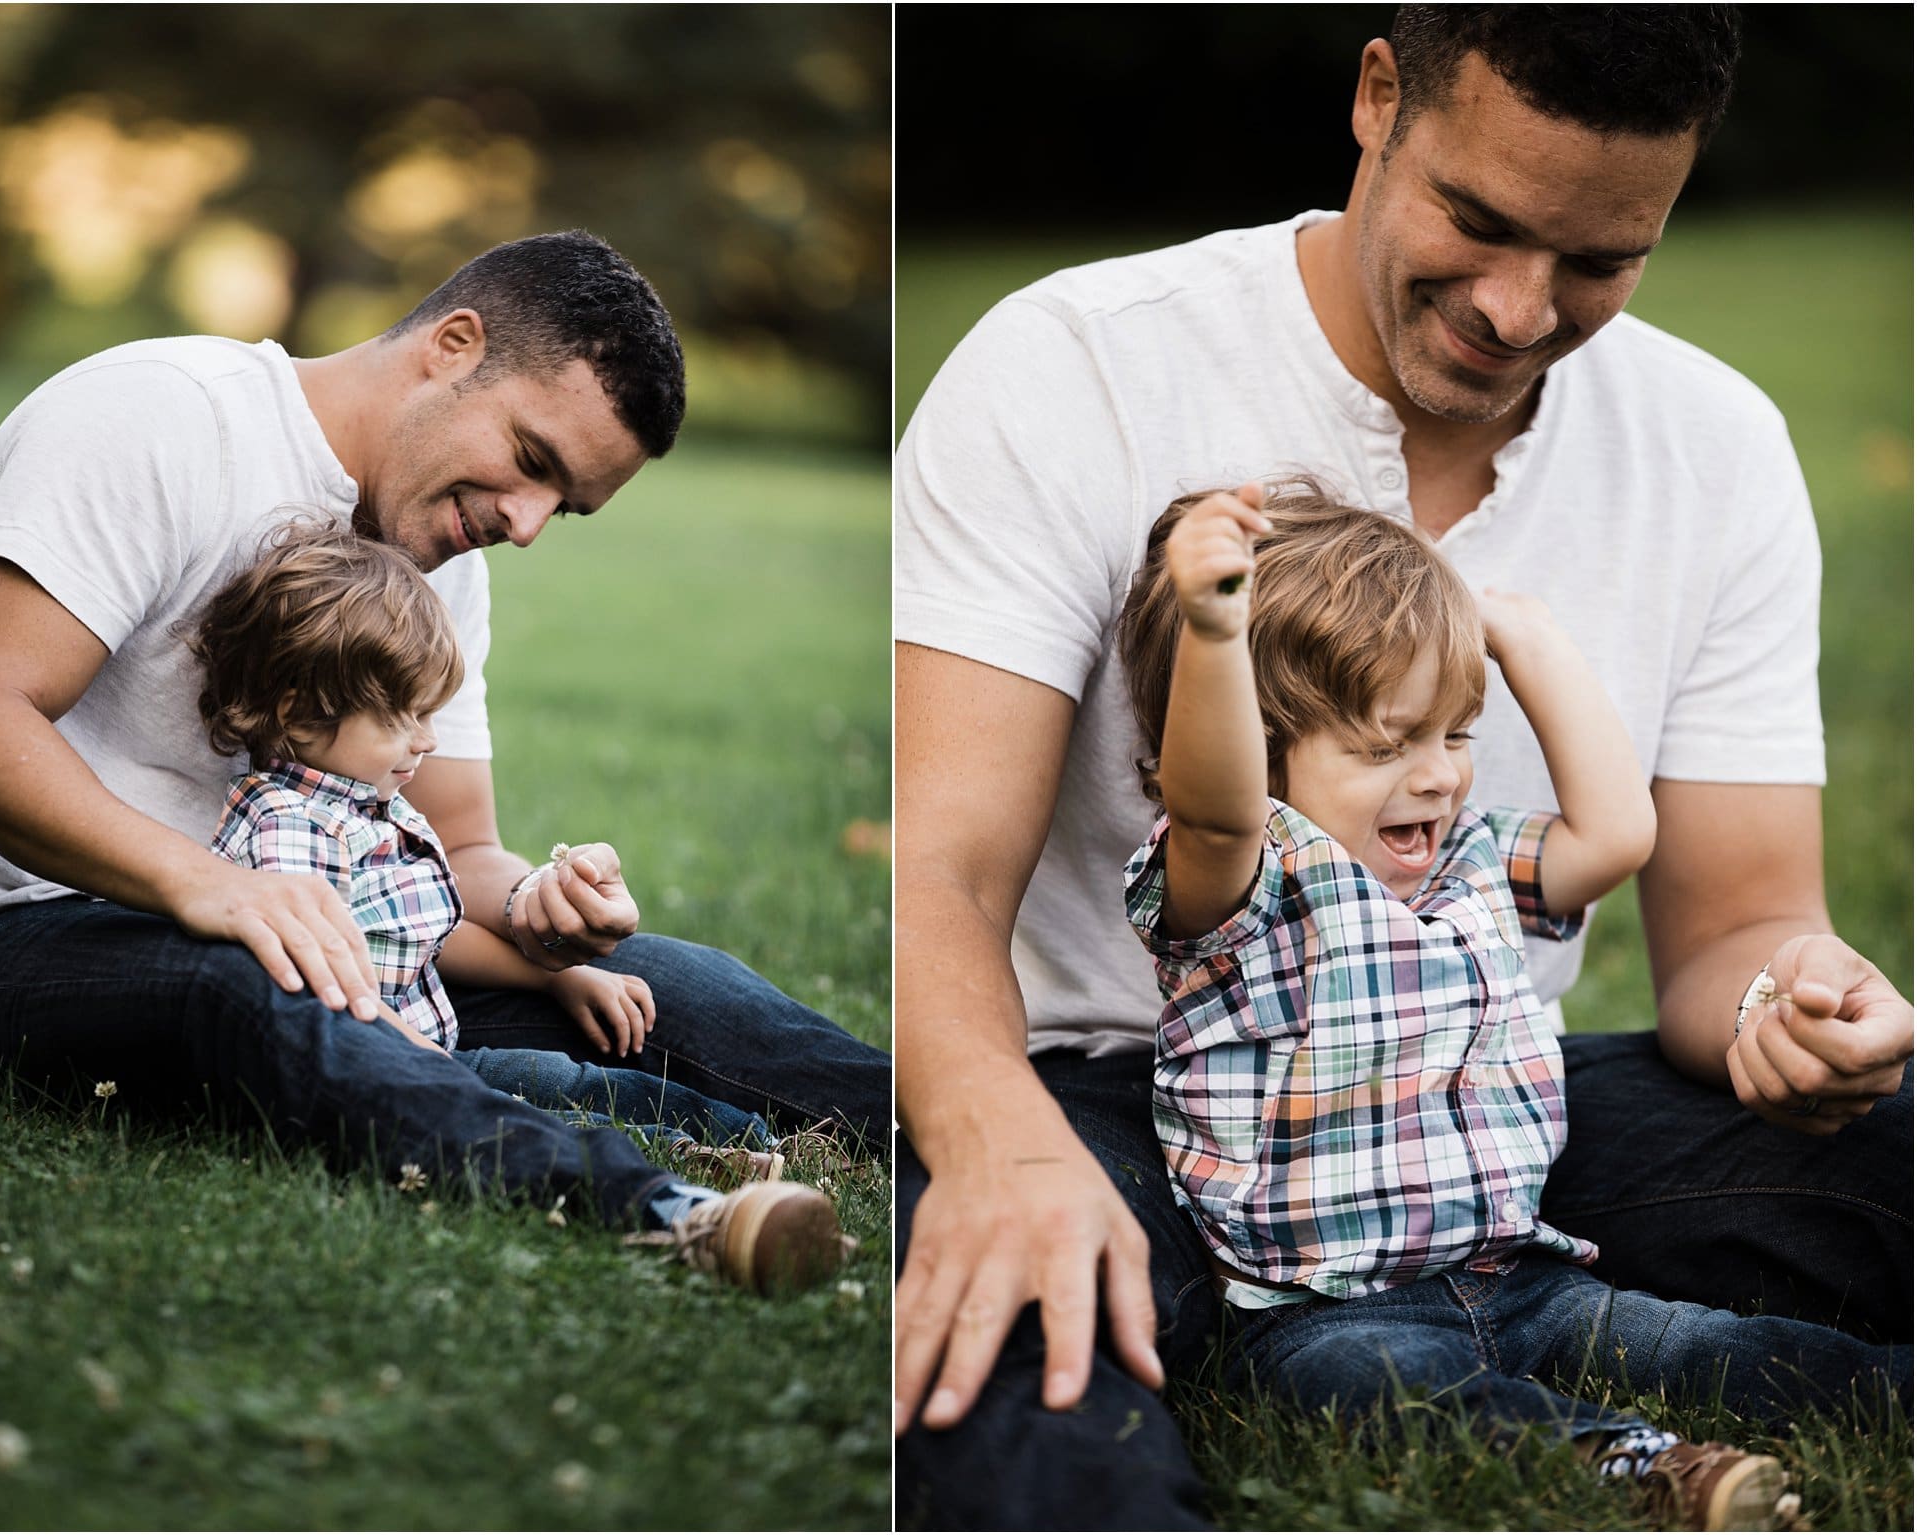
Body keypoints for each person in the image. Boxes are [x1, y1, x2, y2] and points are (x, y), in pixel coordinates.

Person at [892, 8, 1911, 1527]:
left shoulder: (1718, 445)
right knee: (996, 1333)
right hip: (1121, 1097)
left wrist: (1795, 1006)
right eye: (1479, 221)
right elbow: (944, 865)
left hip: (1490, 1114)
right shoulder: (1075, 363)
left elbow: (1742, 926)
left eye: (1598, 261)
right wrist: (995, 1143)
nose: (1515, 308)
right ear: (1379, 97)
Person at [0, 230, 888, 1294]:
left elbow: (462, 853)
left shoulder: (436, 554)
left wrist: (546, 908)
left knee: (652, 981)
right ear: (452, 345)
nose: (528, 525)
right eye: (533, 464)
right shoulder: (162, 414)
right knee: (253, 979)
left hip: (315, 933)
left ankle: (951, 1132)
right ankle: (667, 1208)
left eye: (565, 507)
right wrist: (214, 887)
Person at [1118, 483, 1905, 1529]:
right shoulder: (1247, 888)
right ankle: (1639, 1466)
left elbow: (1617, 833)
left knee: (1708, 1346)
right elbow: (1210, 805)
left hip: (1526, 1275)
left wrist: (1527, 643)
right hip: (1325, 1312)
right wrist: (1213, 629)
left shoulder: (1466, 859)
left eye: (1453, 733)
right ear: (1262, 758)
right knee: (1384, 1396)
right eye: (1384, 744)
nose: (1436, 775)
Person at [192, 517, 788, 1166]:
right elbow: (322, 983)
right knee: (553, 1099)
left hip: (438, 1047)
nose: (427, 740)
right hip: (391, 1066)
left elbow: (425, 934)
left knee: (583, 1079)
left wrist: (558, 979)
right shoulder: (286, 823)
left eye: (430, 714)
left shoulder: (366, 802)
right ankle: (699, 1155)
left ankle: (761, 1138)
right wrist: (423, 1066)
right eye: (404, 716)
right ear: (296, 709)